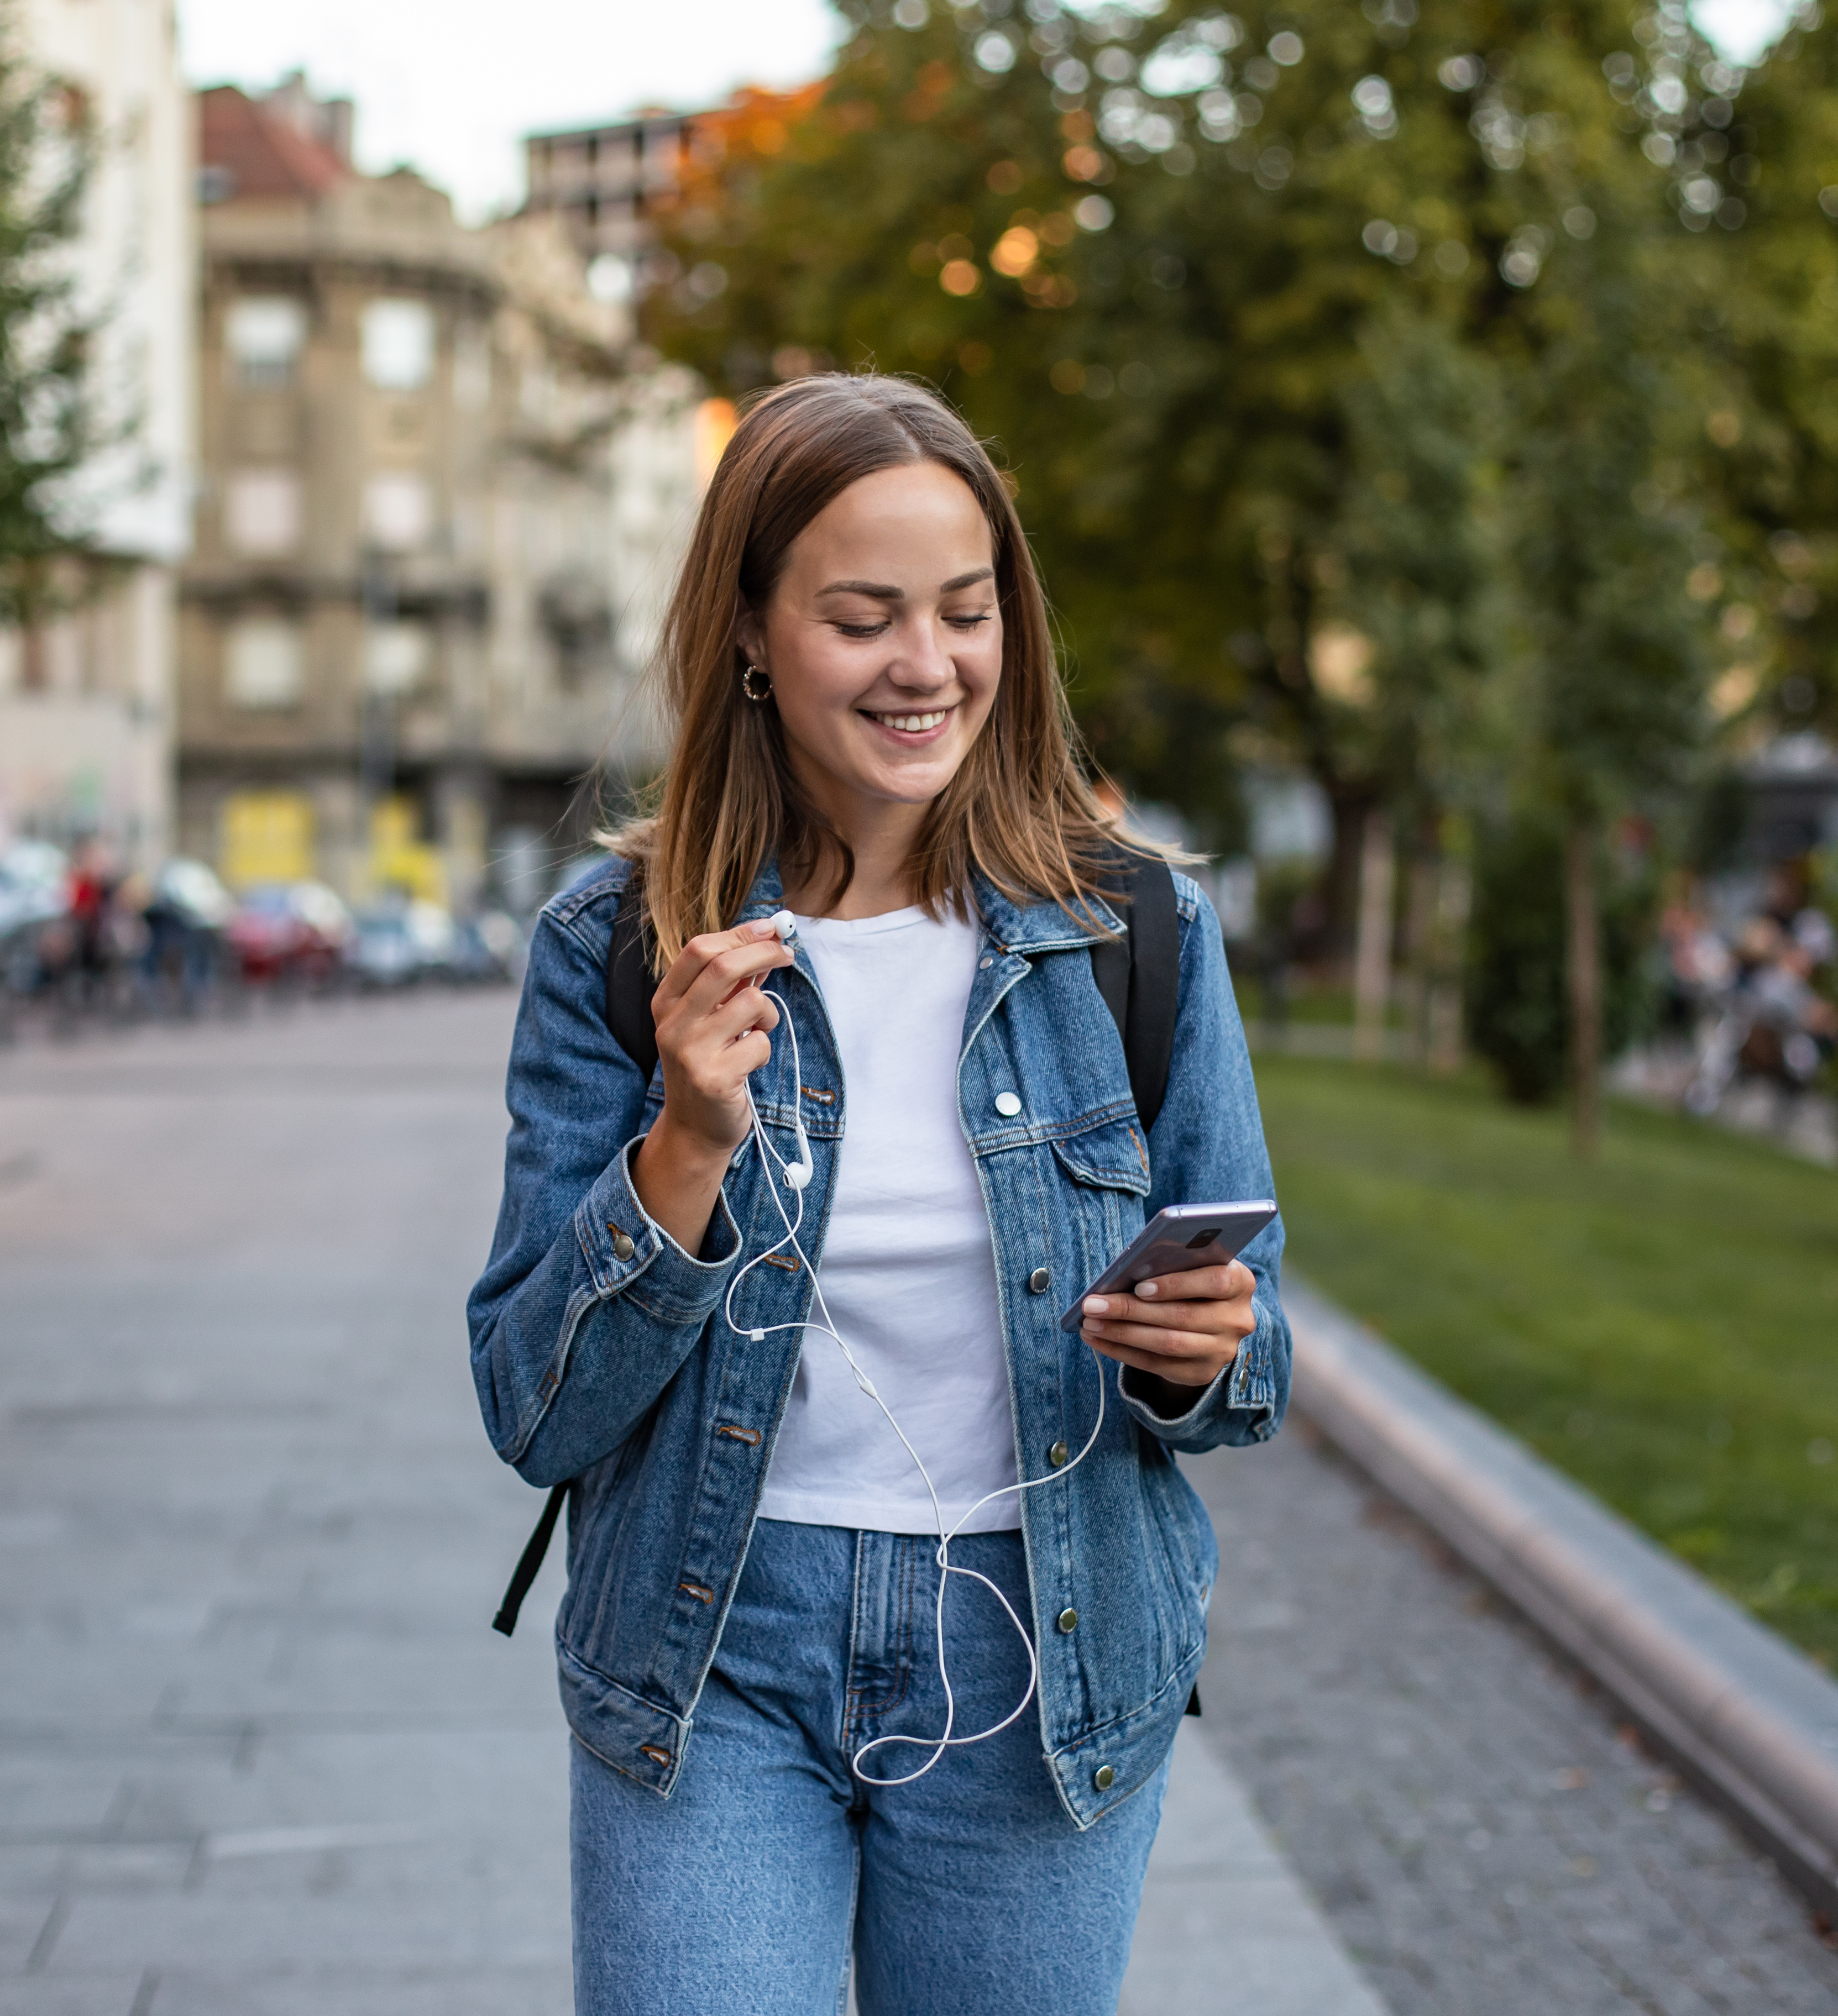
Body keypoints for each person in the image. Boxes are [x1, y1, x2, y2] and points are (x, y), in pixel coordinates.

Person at [465, 375, 1291, 2016]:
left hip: (1044, 1656)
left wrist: (1199, 1350)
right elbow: (532, 1408)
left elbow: (1255, 1373)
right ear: (757, 637)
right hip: (713, 1664)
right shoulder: (616, 948)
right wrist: (684, 1145)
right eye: (865, 617)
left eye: (966, 612)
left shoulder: (1136, 935)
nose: (930, 666)